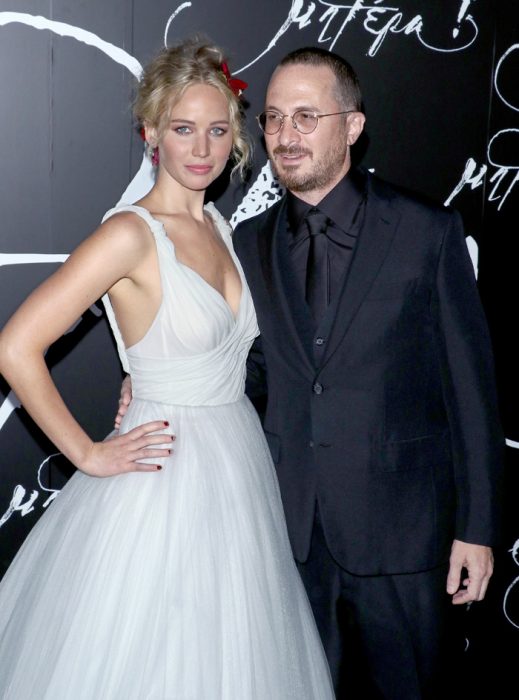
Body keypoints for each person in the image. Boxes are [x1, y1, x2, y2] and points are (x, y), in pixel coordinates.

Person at [119, 46, 504, 698]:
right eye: (271, 120)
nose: (284, 136)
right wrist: (166, 378)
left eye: (305, 117)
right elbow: (256, 368)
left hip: (404, 540)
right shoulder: (248, 242)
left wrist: (478, 529)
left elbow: (471, 392)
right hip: (282, 534)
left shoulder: (425, 231)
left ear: (351, 126)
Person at [0, 39, 335, 699]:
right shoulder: (128, 234)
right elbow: (15, 346)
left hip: (237, 466)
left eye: (216, 130)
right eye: (183, 129)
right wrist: (87, 454)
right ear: (151, 133)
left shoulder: (220, 225)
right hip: (161, 474)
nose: (202, 149)